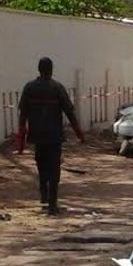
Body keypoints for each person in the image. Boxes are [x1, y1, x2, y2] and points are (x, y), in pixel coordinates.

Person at [17, 56, 84, 215]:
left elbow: (23, 114)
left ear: (38, 69)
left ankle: (44, 196)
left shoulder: (29, 87)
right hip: (54, 136)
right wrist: (79, 134)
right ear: (51, 70)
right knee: (54, 169)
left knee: (41, 166)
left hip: (37, 135)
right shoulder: (57, 88)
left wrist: (20, 139)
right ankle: (52, 204)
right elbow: (70, 112)